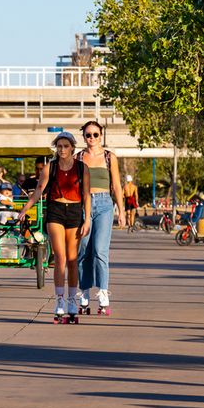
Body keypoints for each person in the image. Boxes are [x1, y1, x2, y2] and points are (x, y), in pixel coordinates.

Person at [17, 131, 91, 321]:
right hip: (56, 210)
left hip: (75, 212)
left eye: (66, 146)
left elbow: (86, 195)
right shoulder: (51, 167)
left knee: (73, 259)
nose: (62, 149)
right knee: (60, 257)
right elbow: (39, 190)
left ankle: (72, 300)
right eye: (59, 146)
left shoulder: (82, 168)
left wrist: (88, 218)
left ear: (73, 148)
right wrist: (25, 209)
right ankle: (59, 300)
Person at [75, 121, 126, 315]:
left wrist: (121, 211)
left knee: (99, 250)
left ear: (101, 135)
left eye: (95, 134)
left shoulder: (108, 157)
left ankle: (103, 292)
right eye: (88, 135)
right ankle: (84, 292)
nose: (92, 138)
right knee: (84, 250)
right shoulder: (78, 157)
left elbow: (117, 186)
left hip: (104, 204)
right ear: (84, 137)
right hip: (83, 205)